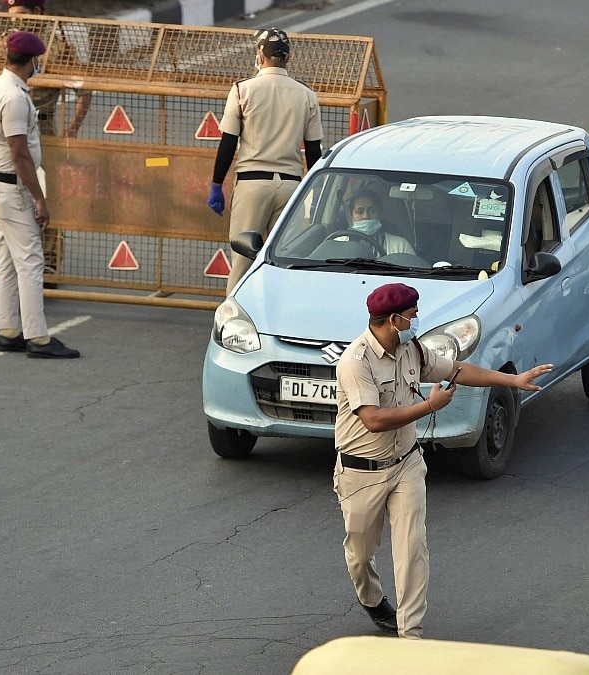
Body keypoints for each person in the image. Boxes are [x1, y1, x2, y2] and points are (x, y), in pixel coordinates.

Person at [333, 282, 553, 638]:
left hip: (405, 465)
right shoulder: (356, 363)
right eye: (412, 316)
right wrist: (429, 406)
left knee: (412, 550)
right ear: (393, 320)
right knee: (360, 554)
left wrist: (513, 380)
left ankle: (411, 634)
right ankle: (372, 600)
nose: (417, 320)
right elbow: (372, 420)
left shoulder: (411, 350)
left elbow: (458, 371)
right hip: (362, 472)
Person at [207, 27, 323, 292]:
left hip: (252, 185)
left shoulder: (242, 90)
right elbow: (313, 151)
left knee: (242, 262)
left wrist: (216, 184)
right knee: (283, 264)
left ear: (260, 53)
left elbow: (228, 143)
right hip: (292, 188)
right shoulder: (306, 95)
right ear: (287, 57)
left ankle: (233, 322)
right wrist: (314, 193)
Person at [0, 30, 77, 357]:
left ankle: (9, 329)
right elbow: (20, 154)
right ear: (31, 60)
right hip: (15, 187)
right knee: (30, 260)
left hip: (1, 183)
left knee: (8, 258)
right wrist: (39, 198)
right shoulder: (12, 97)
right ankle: (38, 338)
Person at [0, 0, 93, 138]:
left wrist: (73, 128)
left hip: (40, 125)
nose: (15, 20)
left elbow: (84, 89)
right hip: (3, 121)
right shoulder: (5, 41)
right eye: (11, 16)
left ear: (36, 12)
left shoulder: (58, 46)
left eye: (21, 14)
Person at [347, 189, 416, 256]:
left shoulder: (400, 245)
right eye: (360, 212)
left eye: (372, 211)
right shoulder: (339, 243)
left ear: (381, 215)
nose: (366, 216)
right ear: (351, 216)